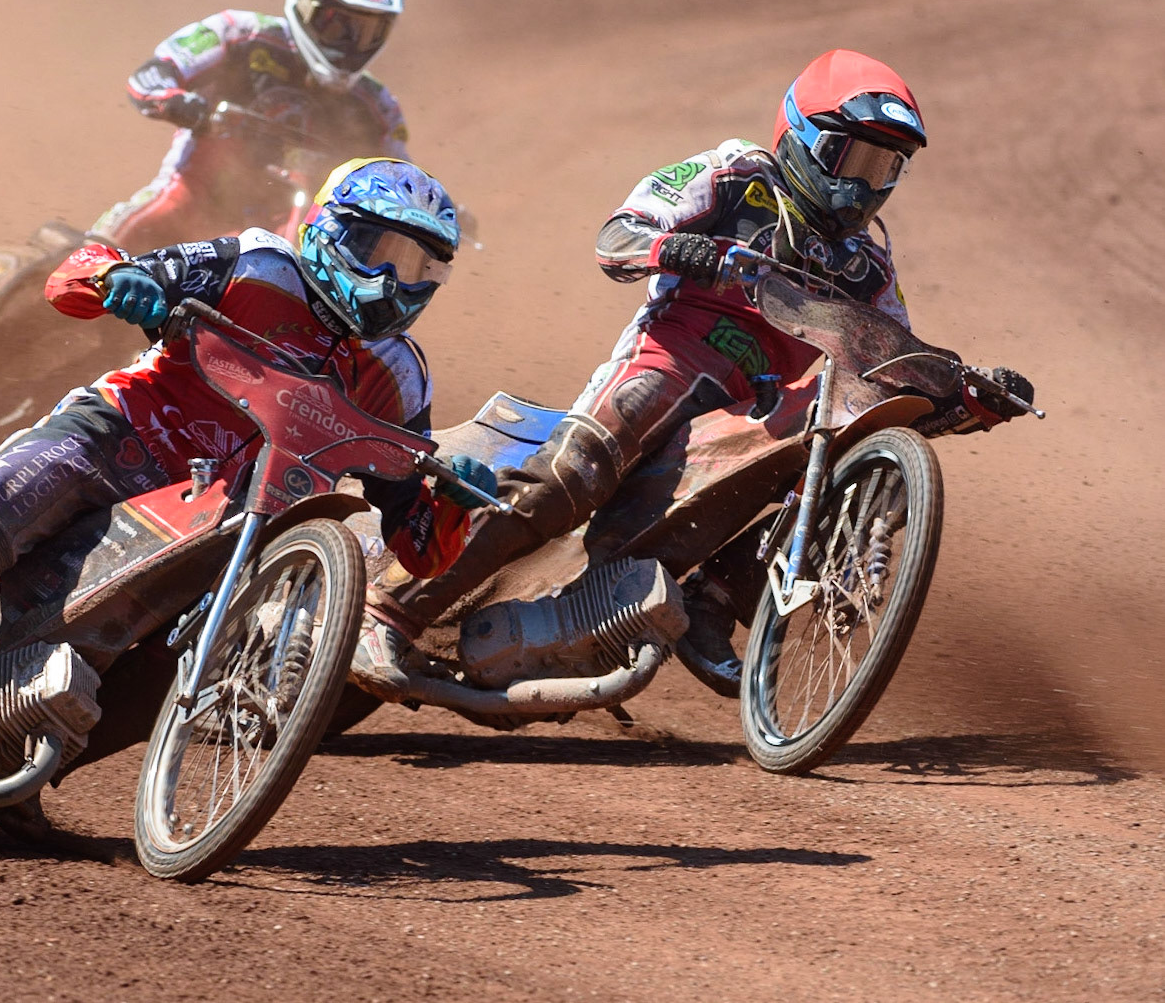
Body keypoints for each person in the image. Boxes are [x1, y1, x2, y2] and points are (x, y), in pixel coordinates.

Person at [0, 157, 495, 776]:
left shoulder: (402, 375)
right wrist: (120, 280)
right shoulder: (259, 264)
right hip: (108, 439)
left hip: (211, 522)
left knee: (157, 669)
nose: (399, 279)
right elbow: (78, 274)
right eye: (381, 251)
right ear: (330, 229)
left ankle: (4, 756)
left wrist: (459, 499)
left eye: (423, 264)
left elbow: (418, 542)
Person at [350, 49, 1036, 701]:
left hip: (748, 414)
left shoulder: (868, 267)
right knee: (574, 473)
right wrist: (676, 246)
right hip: (671, 357)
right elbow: (615, 236)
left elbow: (881, 364)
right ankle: (389, 611)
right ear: (800, 135)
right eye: (851, 157)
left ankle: (712, 602)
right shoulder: (737, 174)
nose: (862, 184)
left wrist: (959, 395)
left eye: (883, 167)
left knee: (834, 448)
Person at [88, 0, 412, 253]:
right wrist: (183, 105)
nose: (352, 44)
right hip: (196, 193)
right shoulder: (240, 34)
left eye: (371, 31)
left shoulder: (376, 107)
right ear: (303, 0)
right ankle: (68, 272)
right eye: (338, 24)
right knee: (154, 214)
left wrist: (432, 210)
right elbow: (152, 75)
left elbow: (401, 180)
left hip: (297, 229)